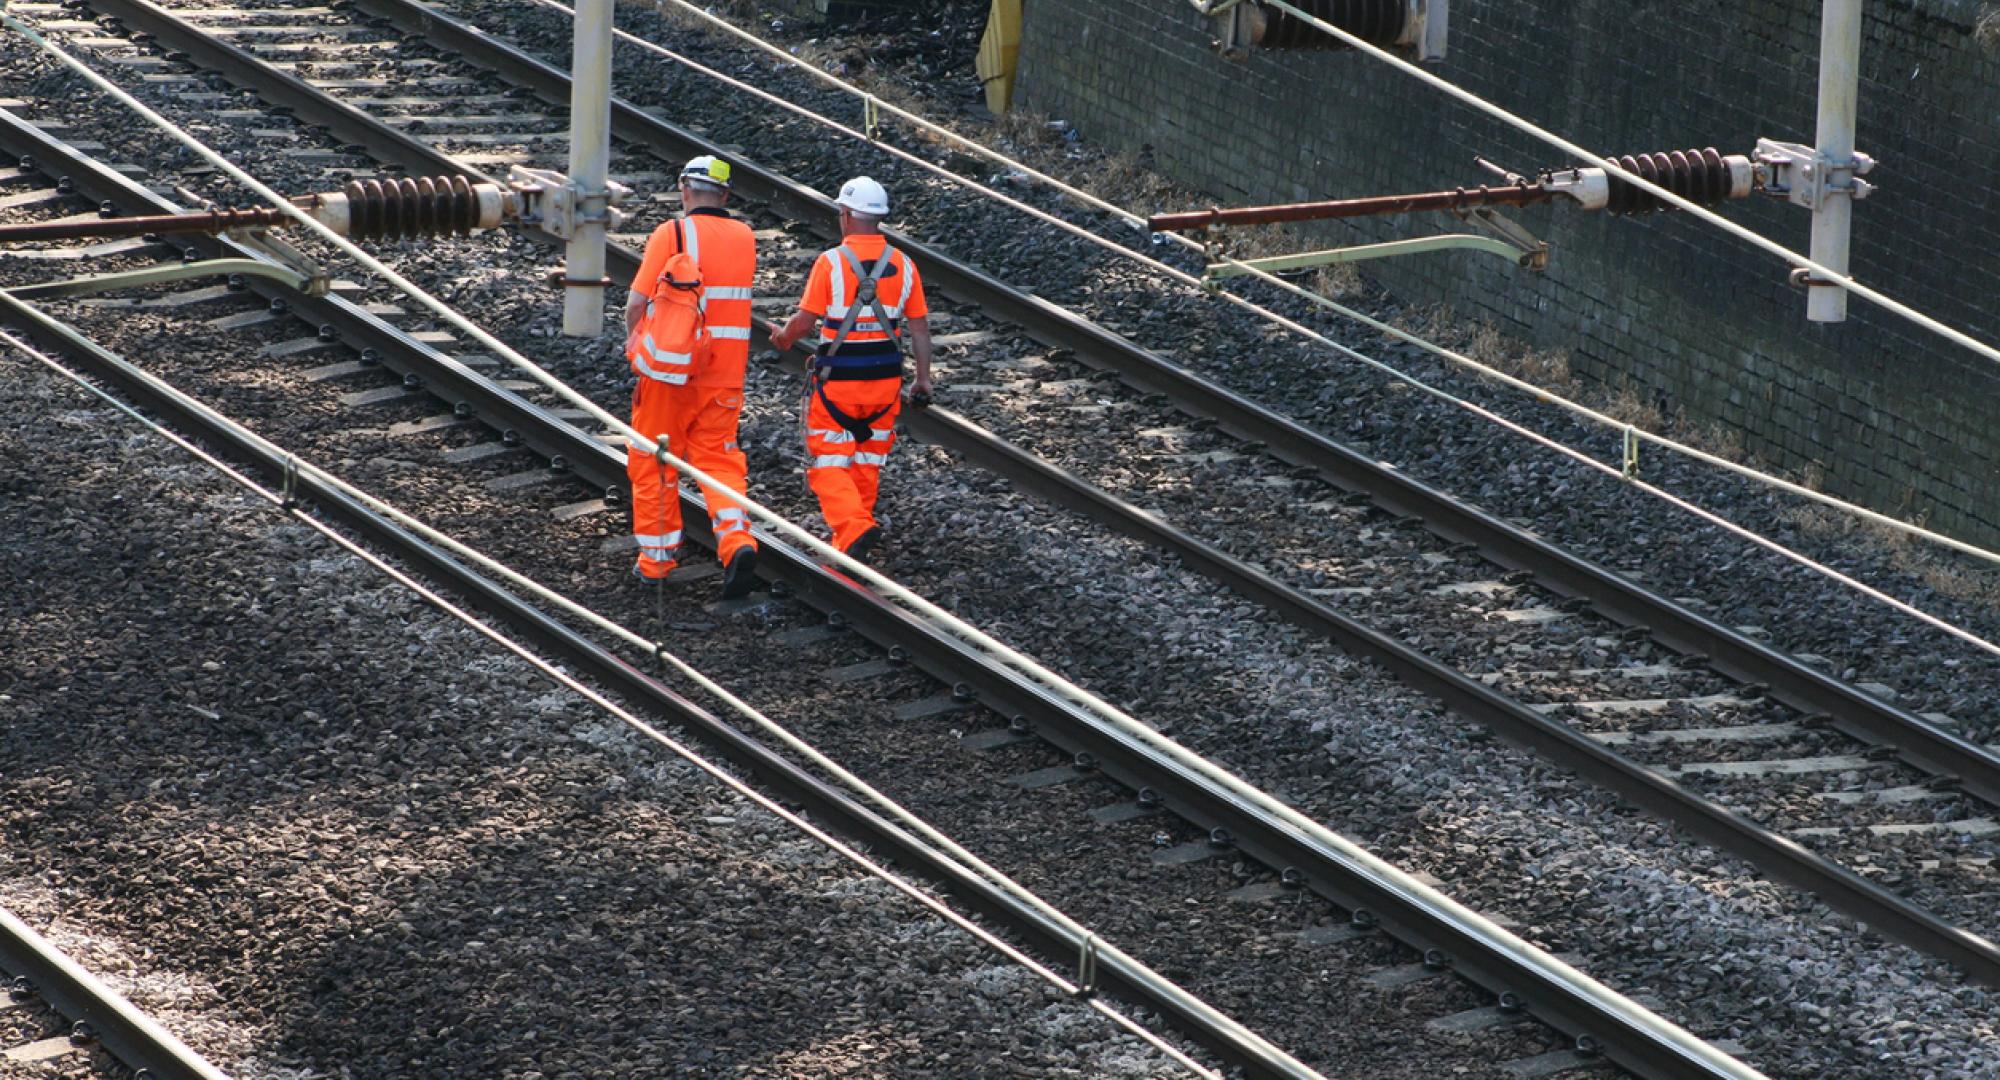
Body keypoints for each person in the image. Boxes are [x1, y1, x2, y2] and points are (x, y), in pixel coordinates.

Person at [768, 176, 935, 563]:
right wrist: (922, 380)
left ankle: (855, 527)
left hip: (838, 384)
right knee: (867, 460)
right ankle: (851, 544)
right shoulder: (905, 265)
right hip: (885, 385)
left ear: (845, 216)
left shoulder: (831, 263)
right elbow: (920, 328)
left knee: (828, 463)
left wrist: (784, 339)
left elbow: (805, 321)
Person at [624, 155, 760, 596]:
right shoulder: (745, 238)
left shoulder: (673, 232)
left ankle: (656, 562)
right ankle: (737, 541)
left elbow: (637, 302)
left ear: (685, 188)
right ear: (724, 194)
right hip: (725, 375)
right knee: (719, 460)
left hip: (670, 373)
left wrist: (634, 343)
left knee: (654, 461)